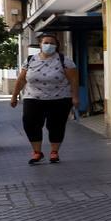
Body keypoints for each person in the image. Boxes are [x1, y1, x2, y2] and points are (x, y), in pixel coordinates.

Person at [10, 34, 78, 164]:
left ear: (57, 46)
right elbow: (21, 79)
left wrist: (75, 97)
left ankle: (54, 152)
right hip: (33, 98)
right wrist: (14, 96)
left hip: (59, 98)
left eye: (52, 43)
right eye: (46, 42)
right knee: (30, 124)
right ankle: (37, 152)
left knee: (56, 126)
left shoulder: (64, 60)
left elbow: (73, 80)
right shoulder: (30, 60)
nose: (49, 45)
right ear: (40, 45)